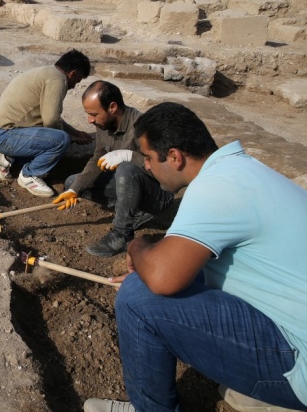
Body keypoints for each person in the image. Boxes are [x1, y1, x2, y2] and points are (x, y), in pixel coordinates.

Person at [84, 102, 307, 412]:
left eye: (148, 158)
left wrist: (137, 245)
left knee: (138, 298)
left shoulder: (213, 188)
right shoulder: (241, 170)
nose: (146, 166)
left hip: (301, 367)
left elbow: (162, 279)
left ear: (174, 157)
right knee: (167, 275)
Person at [52, 81, 174, 257]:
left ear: (113, 107)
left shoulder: (143, 127)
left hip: (158, 194)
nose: (90, 120)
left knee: (126, 168)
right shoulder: (103, 125)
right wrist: (74, 189)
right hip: (130, 187)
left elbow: (165, 169)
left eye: (94, 114)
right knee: (74, 181)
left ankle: (122, 234)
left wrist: (129, 156)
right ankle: (136, 212)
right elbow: (97, 159)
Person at [0, 50, 94, 197]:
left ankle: (6, 158)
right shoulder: (57, 80)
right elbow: (51, 121)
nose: (74, 86)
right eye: (77, 80)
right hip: (4, 135)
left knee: (56, 141)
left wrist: (75, 132)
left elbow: (51, 116)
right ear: (73, 73)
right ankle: (29, 176)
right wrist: (69, 138)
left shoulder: (47, 73)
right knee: (61, 141)